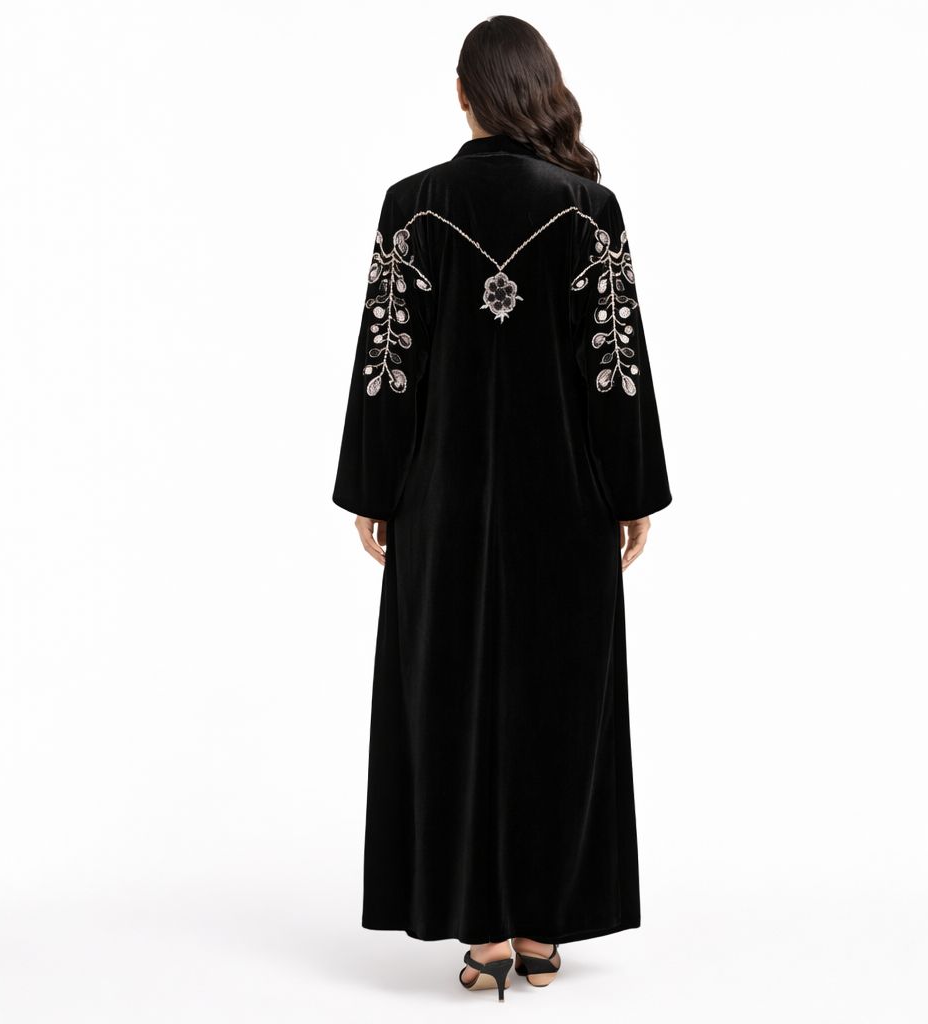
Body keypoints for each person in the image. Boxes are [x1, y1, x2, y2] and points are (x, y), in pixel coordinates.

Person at [332, 15, 673, 999]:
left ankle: (478, 932)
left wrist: (375, 488)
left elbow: (388, 365)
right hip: (566, 501)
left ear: (462, 92)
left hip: (439, 502)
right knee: (557, 702)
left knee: (446, 699)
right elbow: (615, 370)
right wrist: (630, 491)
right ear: (540, 88)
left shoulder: (413, 208)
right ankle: (539, 927)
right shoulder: (587, 210)